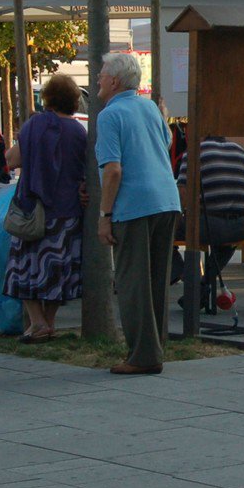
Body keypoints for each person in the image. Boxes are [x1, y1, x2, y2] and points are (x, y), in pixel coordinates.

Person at [96, 52, 180, 374]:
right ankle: (155, 347)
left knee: (133, 282)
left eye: (103, 74)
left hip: (134, 205)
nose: (99, 79)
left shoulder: (109, 115)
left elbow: (113, 170)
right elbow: (166, 140)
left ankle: (142, 355)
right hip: (166, 199)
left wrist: (105, 214)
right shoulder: (149, 107)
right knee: (157, 280)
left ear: (115, 81)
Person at [4, 73, 88, 343]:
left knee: (25, 265)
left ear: (48, 98)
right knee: (58, 270)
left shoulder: (33, 125)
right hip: (68, 211)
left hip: (33, 208)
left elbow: (12, 160)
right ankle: (47, 323)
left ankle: (37, 323)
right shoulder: (79, 131)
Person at [175, 131, 244, 312]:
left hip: (208, 226)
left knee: (163, 230)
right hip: (242, 226)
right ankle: (203, 286)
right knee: (226, 242)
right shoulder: (239, 150)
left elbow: (183, 194)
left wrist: (180, 217)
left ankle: (180, 273)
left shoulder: (194, 153)